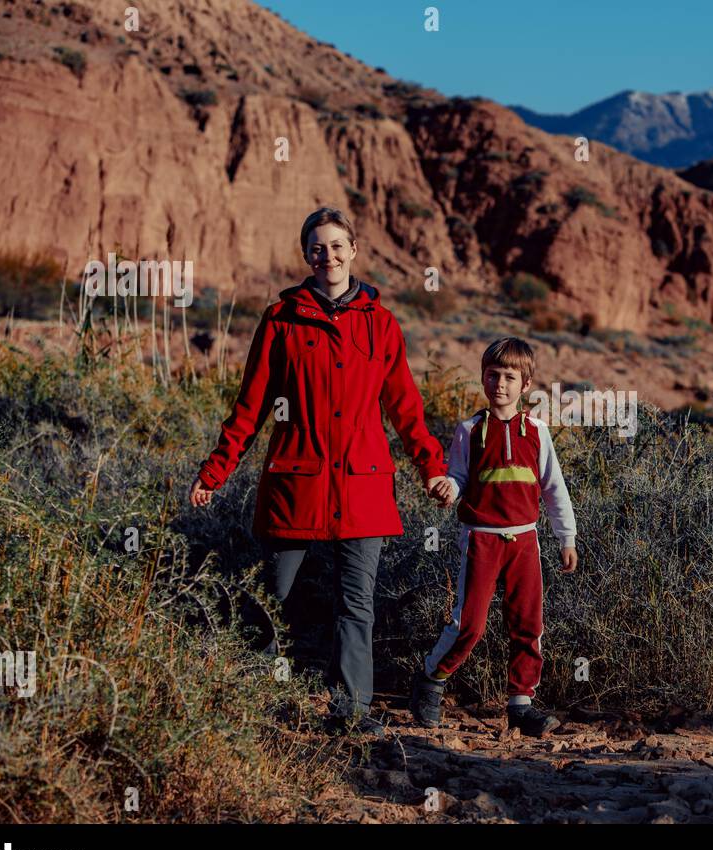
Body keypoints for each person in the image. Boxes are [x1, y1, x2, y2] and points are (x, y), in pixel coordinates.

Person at [189, 207, 449, 735]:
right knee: (270, 598)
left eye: (336, 246)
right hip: (296, 484)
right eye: (316, 248)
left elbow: (406, 409)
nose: (326, 256)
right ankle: (247, 702)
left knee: (357, 606)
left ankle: (350, 714)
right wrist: (214, 473)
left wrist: (432, 470)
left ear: (353, 251)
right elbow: (250, 408)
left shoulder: (380, 324)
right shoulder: (281, 320)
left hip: (363, 486)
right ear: (305, 256)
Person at [411, 337, 579, 737]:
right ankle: (431, 680)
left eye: (509, 377)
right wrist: (449, 489)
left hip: (525, 541)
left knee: (528, 622)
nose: (499, 384)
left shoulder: (536, 431)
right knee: (469, 624)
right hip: (480, 539)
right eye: (492, 375)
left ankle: (521, 704)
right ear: (483, 378)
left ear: (525, 384)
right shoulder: (469, 430)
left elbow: (554, 488)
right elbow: (458, 476)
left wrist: (566, 537)